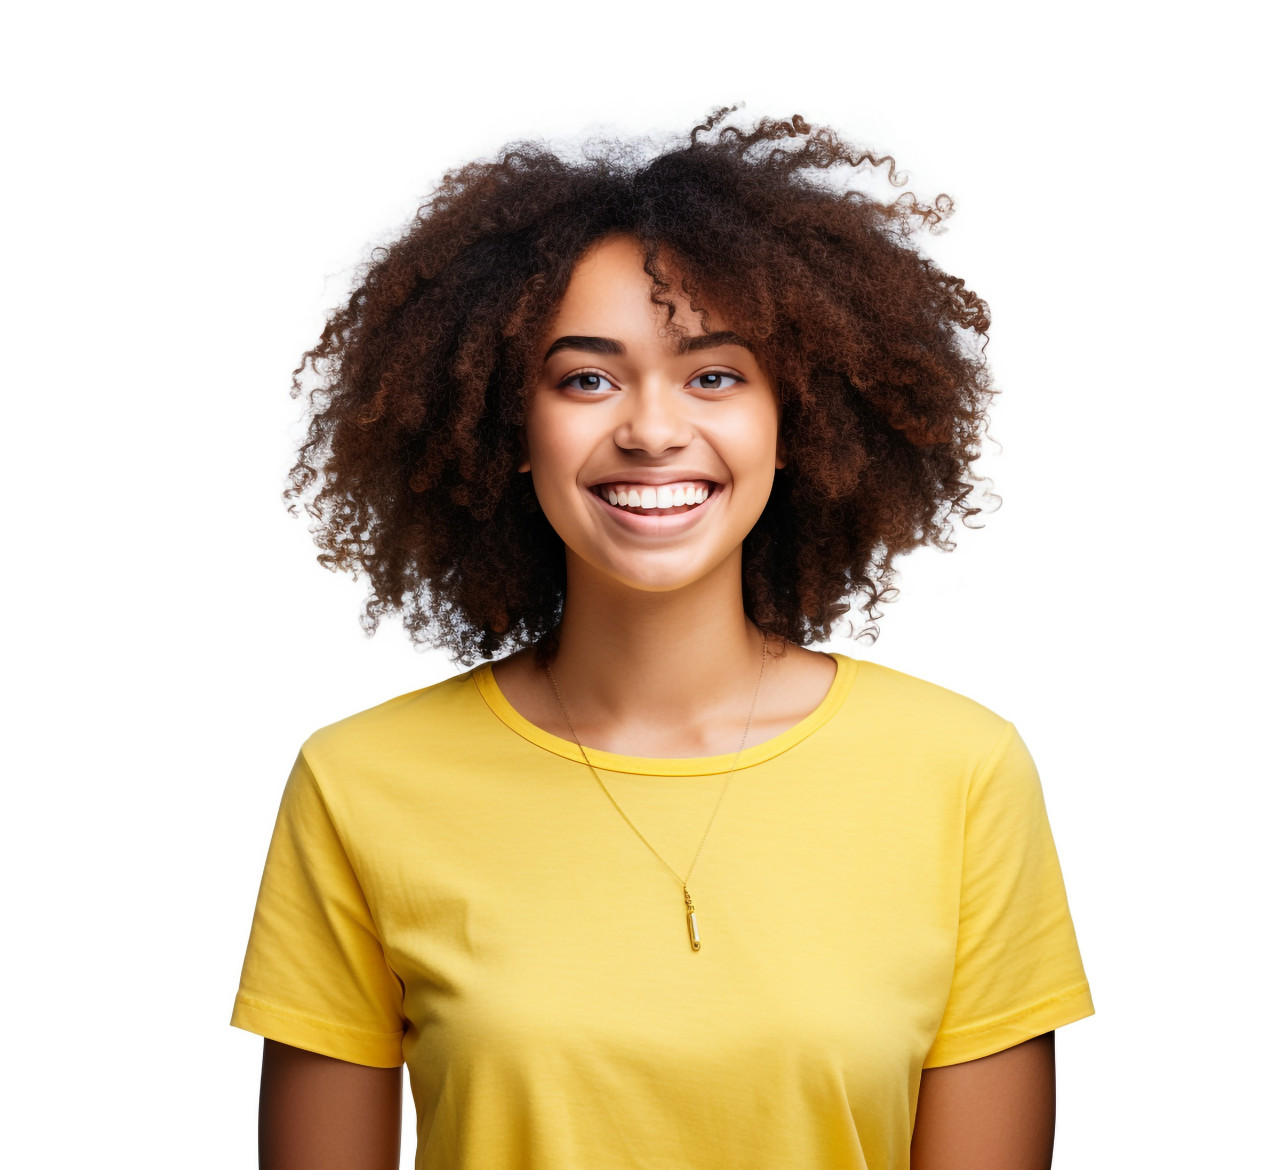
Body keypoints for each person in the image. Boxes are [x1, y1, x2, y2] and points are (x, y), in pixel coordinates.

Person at [231, 106, 1094, 1169]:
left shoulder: (958, 775)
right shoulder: (360, 784)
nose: (649, 429)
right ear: (511, 427)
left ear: (796, 424)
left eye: (714, 375)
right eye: (585, 378)